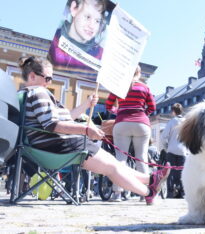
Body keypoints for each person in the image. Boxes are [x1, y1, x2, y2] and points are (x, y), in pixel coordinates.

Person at [18, 56, 168, 205]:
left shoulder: (30, 93)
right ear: (32, 76)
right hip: (58, 146)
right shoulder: (38, 92)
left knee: (114, 164)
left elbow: (65, 118)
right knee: (112, 167)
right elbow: (52, 125)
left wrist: (87, 104)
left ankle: (151, 180)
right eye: (48, 78)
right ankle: (149, 191)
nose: (49, 82)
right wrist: (86, 130)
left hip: (53, 145)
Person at [105, 65, 156, 202]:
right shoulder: (144, 87)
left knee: (120, 158)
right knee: (141, 158)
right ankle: (145, 193)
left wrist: (119, 111)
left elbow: (108, 105)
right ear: (139, 73)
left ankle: (117, 193)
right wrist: (142, 114)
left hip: (122, 123)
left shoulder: (119, 86)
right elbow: (152, 107)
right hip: (142, 124)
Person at [48, 0, 110, 81]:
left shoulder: (100, 55)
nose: (92, 26)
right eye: (87, 17)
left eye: (97, 21)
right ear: (73, 9)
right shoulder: (52, 41)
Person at [161, 103, 188, 198]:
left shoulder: (172, 122)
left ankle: (170, 193)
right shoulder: (186, 122)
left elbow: (163, 137)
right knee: (182, 172)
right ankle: (182, 193)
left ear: (173, 111)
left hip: (171, 149)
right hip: (183, 150)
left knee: (170, 172)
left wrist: (166, 147)